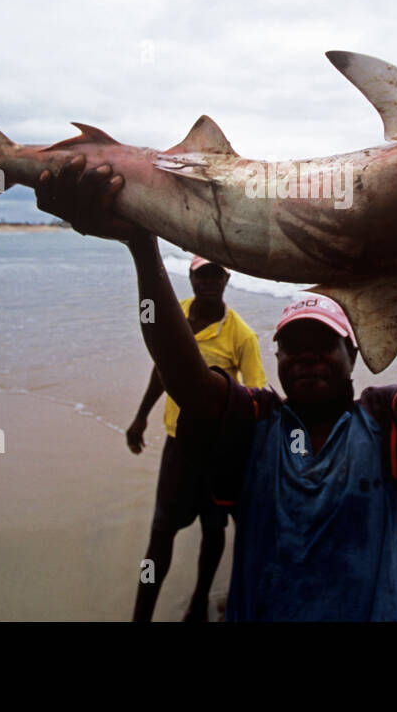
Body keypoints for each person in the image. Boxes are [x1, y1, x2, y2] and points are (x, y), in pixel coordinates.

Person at [35, 158, 397, 621]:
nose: (306, 356)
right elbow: (185, 379)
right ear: (275, 358)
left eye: (323, 344)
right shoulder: (254, 426)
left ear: (353, 356)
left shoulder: (393, 422)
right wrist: (141, 244)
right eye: (293, 345)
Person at [125, 255, 266, 622]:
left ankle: (199, 601)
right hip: (178, 443)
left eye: (215, 276)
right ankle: (141, 614)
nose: (208, 282)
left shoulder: (242, 335)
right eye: (201, 276)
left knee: (214, 527)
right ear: (190, 279)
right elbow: (163, 370)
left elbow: (256, 396)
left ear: (226, 279)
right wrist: (141, 416)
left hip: (218, 449)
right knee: (160, 533)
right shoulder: (178, 316)